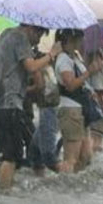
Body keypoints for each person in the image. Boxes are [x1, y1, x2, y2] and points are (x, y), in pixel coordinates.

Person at [0, 24, 61, 190]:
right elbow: (31, 66)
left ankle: (6, 190)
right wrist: (51, 54)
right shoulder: (21, 38)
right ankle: (3, 194)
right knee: (11, 157)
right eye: (39, 35)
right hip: (10, 104)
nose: (37, 41)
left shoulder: (6, 33)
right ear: (31, 29)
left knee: (11, 153)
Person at [54, 29, 102, 173]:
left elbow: (82, 83)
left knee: (86, 156)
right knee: (71, 159)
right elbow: (70, 85)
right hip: (70, 110)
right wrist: (89, 72)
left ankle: (74, 187)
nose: (82, 42)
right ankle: (63, 186)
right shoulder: (63, 59)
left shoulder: (74, 57)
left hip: (82, 110)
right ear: (69, 39)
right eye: (79, 38)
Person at [28, 47, 62, 176]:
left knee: (49, 157)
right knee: (34, 152)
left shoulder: (38, 68)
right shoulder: (49, 67)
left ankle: (70, 182)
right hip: (51, 109)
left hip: (48, 110)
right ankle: (41, 184)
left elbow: (40, 86)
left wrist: (24, 91)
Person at [86, 49, 103, 152]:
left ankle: (99, 142)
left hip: (102, 88)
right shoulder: (91, 52)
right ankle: (94, 143)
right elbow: (92, 69)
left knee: (102, 118)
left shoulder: (99, 52)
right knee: (96, 118)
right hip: (95, 89)